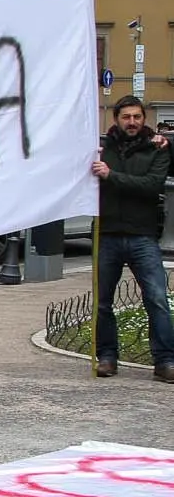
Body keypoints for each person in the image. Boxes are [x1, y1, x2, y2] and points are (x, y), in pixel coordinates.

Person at [91, 94, 174, 381]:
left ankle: (165, 362)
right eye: (126, 117)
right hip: (108, 234)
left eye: (137, 117)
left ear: (144, 119)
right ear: (116, 119)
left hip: (142, 235)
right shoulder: (101, 148)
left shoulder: (157, 149)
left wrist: (111, 176)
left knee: (156, 299)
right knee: (103, 302)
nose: (132, 122)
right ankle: (108, 358)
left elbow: (152, 186)